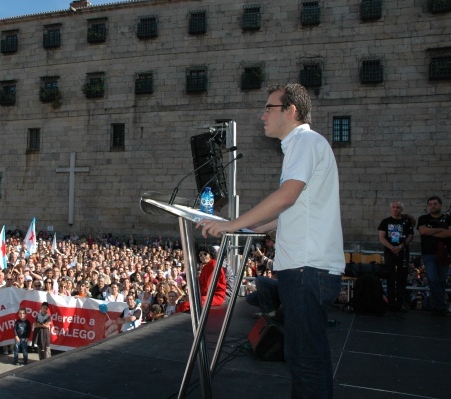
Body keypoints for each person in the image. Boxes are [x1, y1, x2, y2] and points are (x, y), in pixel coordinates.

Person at [199, 83, 344, 399]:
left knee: (307, 362)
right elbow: (287, 213)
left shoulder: (304, 142)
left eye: (269, 108)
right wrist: (240, 229)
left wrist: (234, 224)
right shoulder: (302, 146)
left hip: (308, 269)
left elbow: (286, 196)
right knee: (302, 358)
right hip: (306, 269)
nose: (262, 114)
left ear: (291, 111)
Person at [417, 196, 451, 316]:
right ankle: (441, 306)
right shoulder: (423, 218)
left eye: (435, 204)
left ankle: (435, 306)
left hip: (444, 254)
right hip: (429, 253)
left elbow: (449, 233)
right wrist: (441, 230)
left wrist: (432, 231)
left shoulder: (448, 219)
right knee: (432, 279)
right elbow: (423, 232)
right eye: (430, 204)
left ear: (440, 205)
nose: (433, 206)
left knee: (441, 281)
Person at [378, 201, 414, 312]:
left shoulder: (406, 221)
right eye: (393, 207)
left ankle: (400, 302)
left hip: (403, 253)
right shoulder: (385, 222)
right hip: (390, 253)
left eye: (398, 207)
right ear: (390, 209)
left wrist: (401, 246)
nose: (395, 209)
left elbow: (410, 236)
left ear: (401, 209)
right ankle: (391, 302)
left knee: (402, 277)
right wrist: (392, 248)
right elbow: (382, 238)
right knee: (390, 277)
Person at [176, 247, 226, 313]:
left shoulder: (213, 266)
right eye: (200, 255)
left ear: (210, 255)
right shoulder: (206, 266)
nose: (202, 256)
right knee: (182, 304)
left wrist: (194, 297)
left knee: (185, 305)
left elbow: (208, 288)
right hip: (206, 296)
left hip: (215, 297)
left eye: (205, 254)